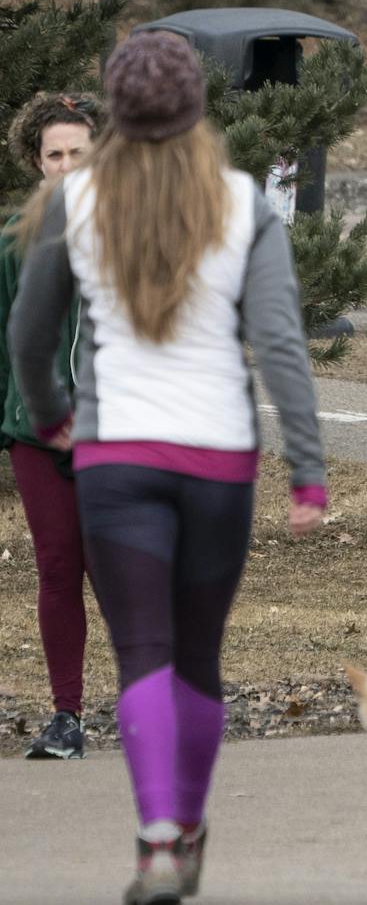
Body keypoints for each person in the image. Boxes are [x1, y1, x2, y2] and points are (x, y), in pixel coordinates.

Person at [10, 32, 326, 905]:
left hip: (115, 456)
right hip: (217, 456)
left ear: (112, 113)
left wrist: (51, 417)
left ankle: (156, 839)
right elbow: (281, 347)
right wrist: (308, 471)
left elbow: (30, 337)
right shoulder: (241, 205)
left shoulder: (76, 200)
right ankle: (188, 823)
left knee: (142, 646)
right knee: (199, 654)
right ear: (196, 111)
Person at [2, 91, 105, 759]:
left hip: (119, 433)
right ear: (37, 162)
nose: (66, 166)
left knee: (130, 572)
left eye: (79, 153)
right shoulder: (13, 239)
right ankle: (67, 715)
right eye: (55, 155)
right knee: (59, 565)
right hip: (38, 434)